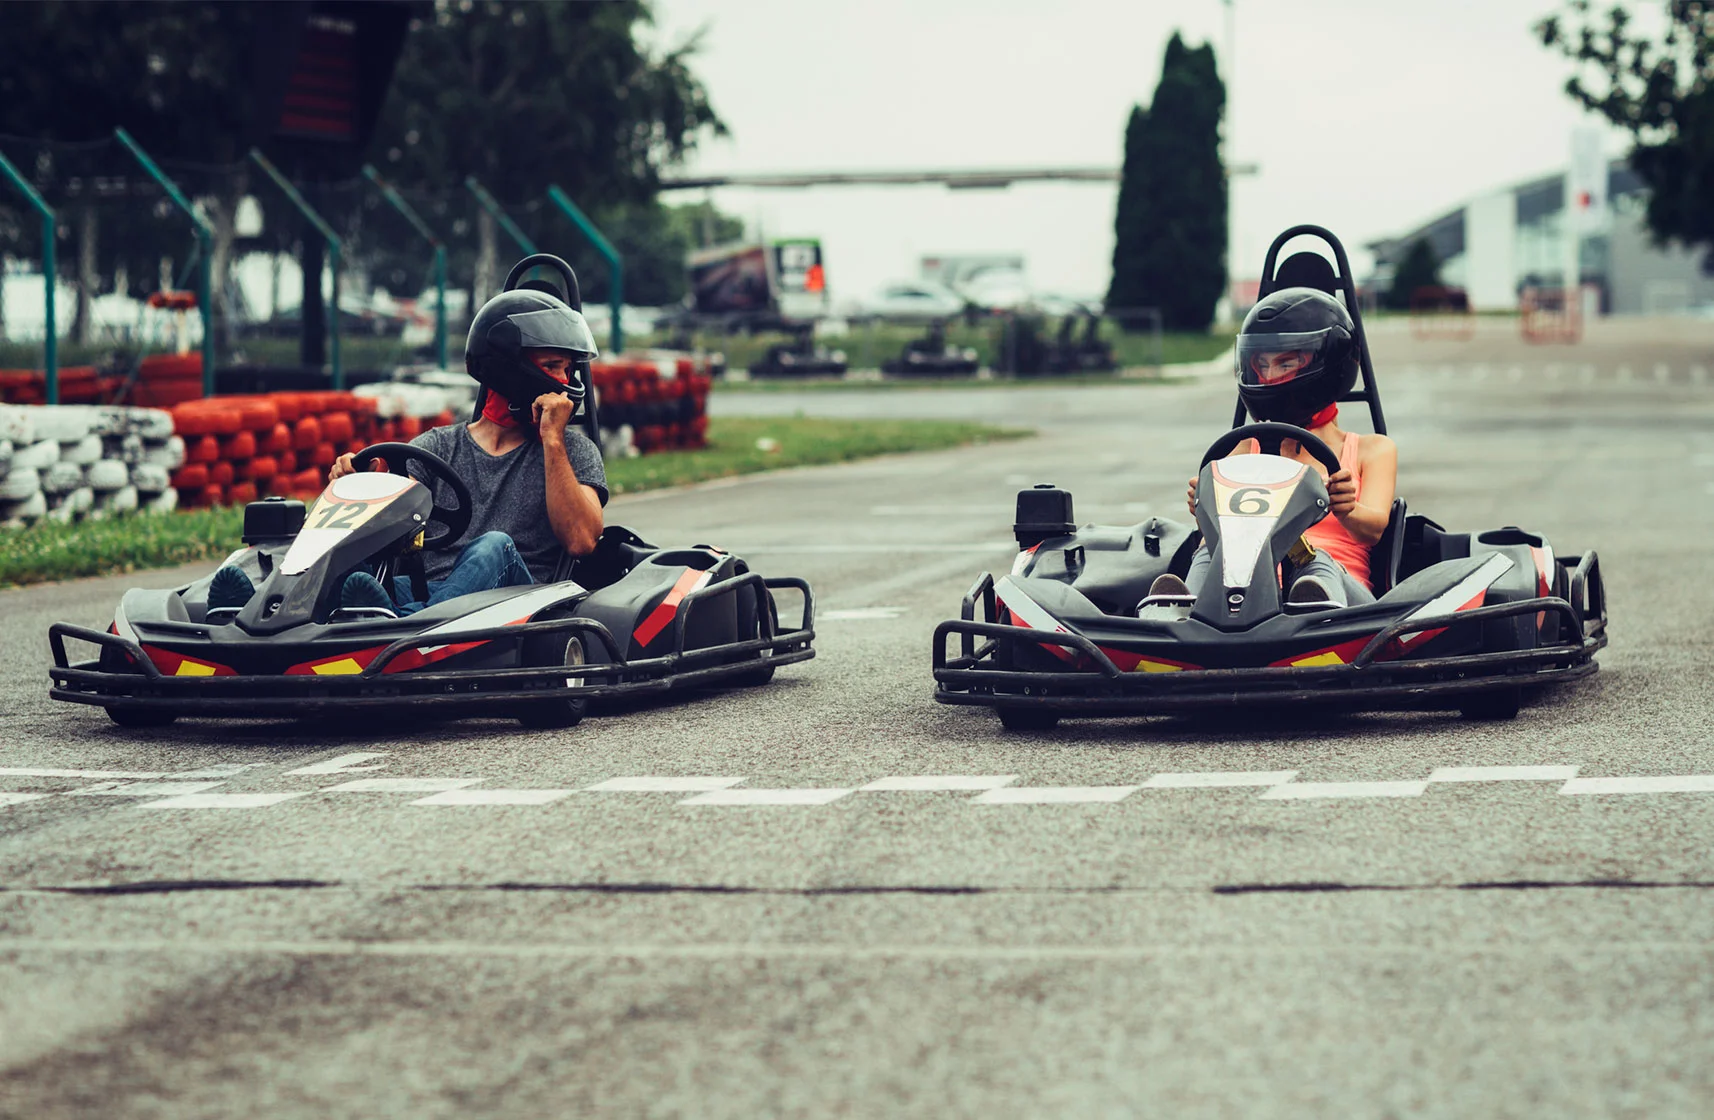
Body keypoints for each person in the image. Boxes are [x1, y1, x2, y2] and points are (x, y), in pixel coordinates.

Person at [206, 286, 608, 616]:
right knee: (349, 570)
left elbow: (581, 542)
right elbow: (384, 524)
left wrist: (552, 440)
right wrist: (354, 487)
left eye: (568, 369)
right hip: (427, 592)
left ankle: (390, 623)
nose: (566, 382)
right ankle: (252, 612)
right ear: (509, 370)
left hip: (515, 603)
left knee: (493, 546)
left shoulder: (573, 450)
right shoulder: (438, 446)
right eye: (554, 366)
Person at [1147, 286, 1397, 609]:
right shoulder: (1245, 446)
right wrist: (1204, 508)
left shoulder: (1371, 450)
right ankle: (1179, 612)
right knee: (1212, 551)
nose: (1268, 377)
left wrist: (1347, 509)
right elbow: (1219, 534)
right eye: (1262, 366)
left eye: (1284, 364)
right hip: (1253, 594)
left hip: (1345, 599)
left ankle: (1314, 607)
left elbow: (1373, 531)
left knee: (1315, 559)